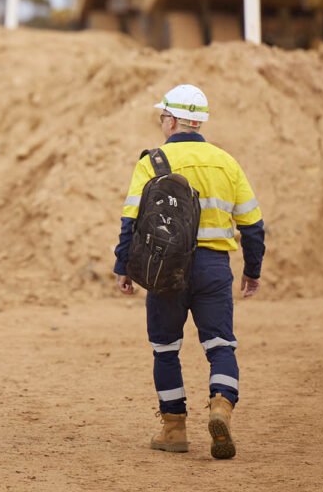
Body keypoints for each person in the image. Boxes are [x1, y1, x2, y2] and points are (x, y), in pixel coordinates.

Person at [113, 84, 266, 459]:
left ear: (171, 121)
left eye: (162, 116)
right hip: (214, 268)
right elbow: (253, 225)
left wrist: (124, 267)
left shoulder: (152, 162)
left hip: (166, 270)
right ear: (199, 122)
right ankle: (221, 406)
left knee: (166, 349)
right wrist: (251, 270)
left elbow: (130, 219)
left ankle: (174, 429)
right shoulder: (226, 162)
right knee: (220, 345)